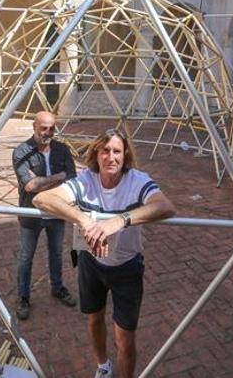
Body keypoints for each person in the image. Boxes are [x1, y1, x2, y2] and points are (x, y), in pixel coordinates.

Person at [33, 128, 176, 378]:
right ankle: (103, 366)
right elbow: (42, 199)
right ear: (97, 154)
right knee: (94, 319)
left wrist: (120, 220)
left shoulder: (137, 181)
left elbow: (165, 207)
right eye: (105, 151)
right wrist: (83, 220)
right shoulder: (86, 180)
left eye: (117, 151)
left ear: (125, 154)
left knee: (125, 336)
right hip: (92, 263)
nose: (111, 157)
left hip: (127, 267)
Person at [12, 111, 77, 320]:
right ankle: (23, 297)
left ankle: (57, 287)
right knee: (25, 257)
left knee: (56, 253)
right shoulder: (22, 151)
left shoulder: (62, 150)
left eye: (52, 128)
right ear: (34, 126)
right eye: (43, 128)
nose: (48, 132)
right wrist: (59, 177)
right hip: (31, 213)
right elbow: (29, 186)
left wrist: (44, 179)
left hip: (56, 211)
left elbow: (72, 178)